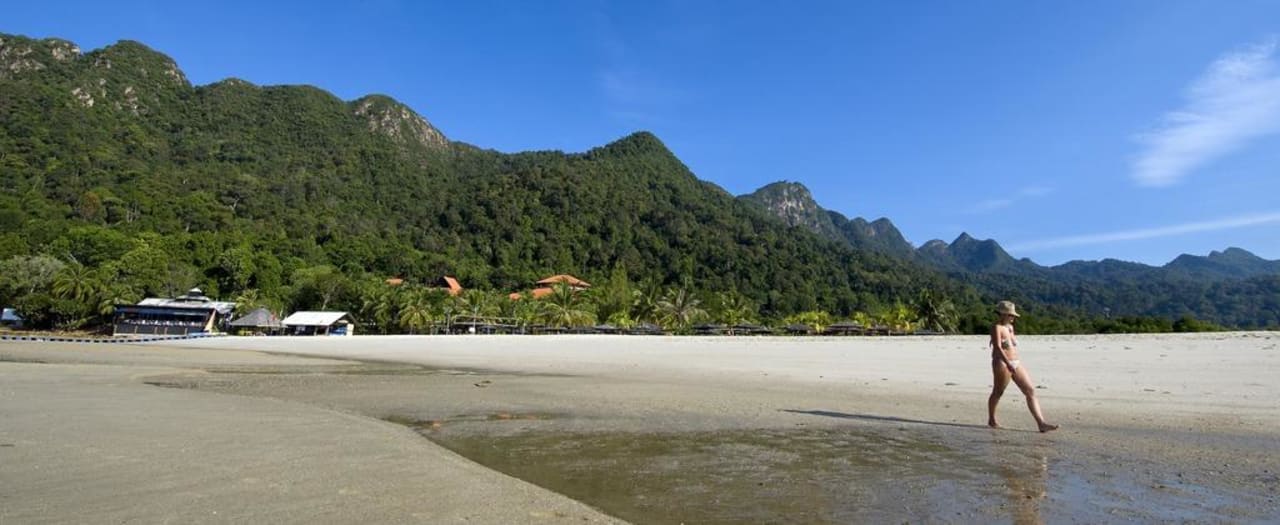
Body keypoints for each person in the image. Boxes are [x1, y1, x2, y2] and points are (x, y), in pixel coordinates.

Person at [988, 300, 1059, 432]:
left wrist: (1012, 352)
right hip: (1002, 363)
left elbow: (1011, 343)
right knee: (998, 392)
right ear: (1003, 314)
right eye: (1011, 315)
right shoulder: (996, 327)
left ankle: (1041, 423)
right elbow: (998, 347)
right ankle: (992, 419)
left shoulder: (1010, 327)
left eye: (1013, 315)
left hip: (1015, 361)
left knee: (1030, 390)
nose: (1013, 317)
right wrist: (1008, 363)